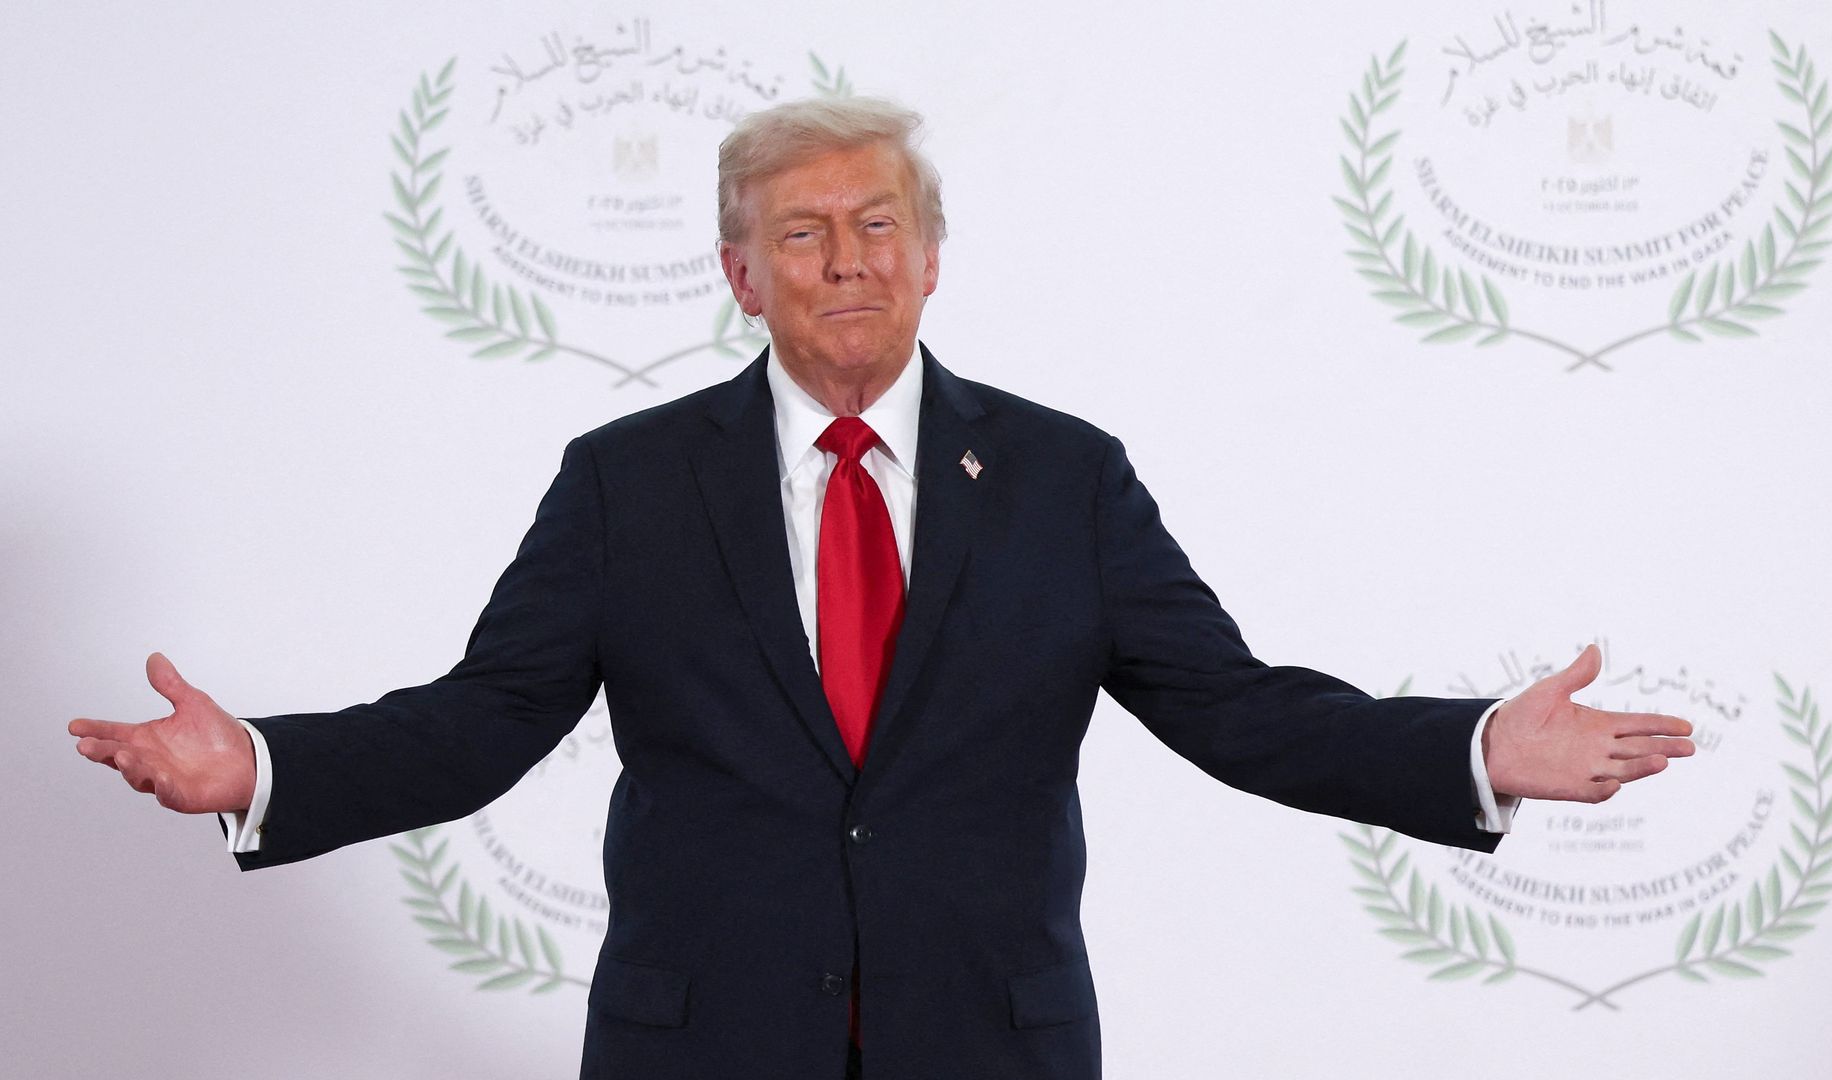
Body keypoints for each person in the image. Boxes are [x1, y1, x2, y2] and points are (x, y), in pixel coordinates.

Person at [69, 97, 1694, 1080]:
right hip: (701, 1049)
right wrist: (263, 766)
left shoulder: (1066, 479)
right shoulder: (628, 482)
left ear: (930, 255)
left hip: (990, 1046)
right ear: (737, 273)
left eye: (876, 224)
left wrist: (1475, 749)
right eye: (800, 233)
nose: (845, 258)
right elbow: (485, 721)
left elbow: (1234, 709)